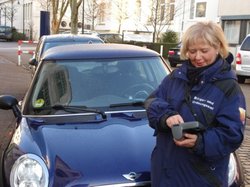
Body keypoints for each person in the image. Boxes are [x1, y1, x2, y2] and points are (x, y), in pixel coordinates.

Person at [145, 21, 246, 187]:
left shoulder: (229, 87)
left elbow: (232, 135)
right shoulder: (176, 77)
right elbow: (152, 101)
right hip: (165, 175)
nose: (197, 57)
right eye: (192, 51)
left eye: (204, 51)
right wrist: (166, 116)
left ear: (218, 47)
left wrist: (200, 142)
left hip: (200, 178)